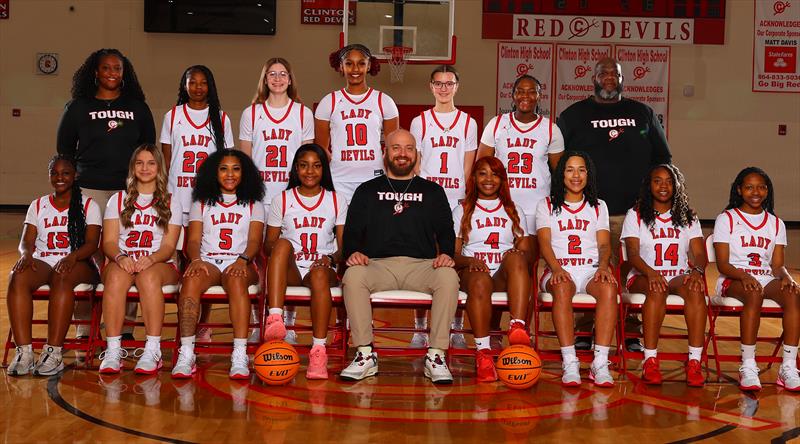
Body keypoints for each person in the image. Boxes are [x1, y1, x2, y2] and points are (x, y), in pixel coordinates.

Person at [556, 57, 671, 351]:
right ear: (593, 78)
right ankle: (584, 330)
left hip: (633, 213)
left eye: (615, 73)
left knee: (630, 272)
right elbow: (557, 161)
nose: (609, 77)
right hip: (587, 212)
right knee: (588, 268)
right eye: (603, 72)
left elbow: (663, 158)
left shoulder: (642, 113)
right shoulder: (573, 115)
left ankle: (630, 331)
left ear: (622, 79)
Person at [339, 129, 458, 384]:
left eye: (408, 148)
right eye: (396, 148)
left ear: (416, 154)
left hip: (422, 266)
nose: (402, 154)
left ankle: (436, 356)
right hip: (377, 265)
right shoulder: (367, 190)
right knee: (354, 275)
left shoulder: (433, 191)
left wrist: (447, 254)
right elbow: (352, 232)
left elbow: (446, 231)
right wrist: (353, 252)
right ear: (385, 152)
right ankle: (365, 354)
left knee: (448, 277)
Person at [57, 48, 155, 341]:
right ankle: (84, 327)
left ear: (124, 73)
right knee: (87, 254)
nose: (112, 73)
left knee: (130, 253)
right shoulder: (78, 107)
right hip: (89, 188)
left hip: (129, 191)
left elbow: (148, 148)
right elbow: (64, 149)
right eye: (106, 68)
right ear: (95, 72)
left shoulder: (137, 107)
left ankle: (125, 328)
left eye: (117, 68)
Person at [172, 149, 265, 380]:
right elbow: (193, 240)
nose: (230, 174)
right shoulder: (202, 203)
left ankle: (240, 353)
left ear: (245, 173)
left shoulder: (254, 204)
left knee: (236, 279)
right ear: (214, 173)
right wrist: (196, 260)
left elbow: (255, 241)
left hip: (241, 261)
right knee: (191, 280)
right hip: (209, 261)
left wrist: (243, 260)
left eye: (236, 169)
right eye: (223, 169)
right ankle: (186, 352)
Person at [240, 57, 314, 342]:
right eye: (272, 74)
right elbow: (246, 160)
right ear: (265, 78)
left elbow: (307, 159)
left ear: (290, 79)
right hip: (260, 195)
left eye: (283, 74)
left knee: (288, 257)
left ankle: (288, 322)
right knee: (257, 259)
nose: (278, 79)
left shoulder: (302, 113)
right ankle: (258, 319)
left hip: (290, 196)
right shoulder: (252, 113)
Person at [7, 155, 102, 376]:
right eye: (54, 173)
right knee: (17, 275)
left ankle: (53, 353)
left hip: (78, 262)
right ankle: (24, 352)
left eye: (65, 173)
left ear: (75, 175)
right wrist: (26, 254)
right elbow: (26, 241)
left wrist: (72, 257)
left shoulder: (89, 205)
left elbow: (91, 244)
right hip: (44, 259)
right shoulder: (37, 205)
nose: (60, 177)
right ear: (49, 175)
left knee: (62, 276)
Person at [160, 65, 235, 344]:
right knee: (180, 260)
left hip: (207, 200)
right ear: (185, 85)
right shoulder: (173, 116)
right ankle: (184, 322)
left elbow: (226, 159)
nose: (198, 87)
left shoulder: (221, 118)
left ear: (210, 86)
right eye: (193, 82)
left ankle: (202, 323)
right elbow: (168, 160)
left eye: (203, 83)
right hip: (178, 196)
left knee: (203, 260)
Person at [263, 144, 346, 379]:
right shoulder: (282, 199)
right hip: (291, 269)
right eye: (304, 165)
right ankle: (275, 318)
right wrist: (284, 249)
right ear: (296, 169)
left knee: (319, 274)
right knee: (281, 244)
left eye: (316, 165)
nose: (310, 171)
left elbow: (344, 248)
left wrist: (330, 258)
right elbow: (268, 246)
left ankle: (318, 351)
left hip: (320, 269)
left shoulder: (336, 200)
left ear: (324, 169)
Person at [409, 65, 478, 349]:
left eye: (449, 83)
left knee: (455, 260)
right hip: (428, 200)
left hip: (456, 198)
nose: (444, 88)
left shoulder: (468, 123)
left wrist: (465, 197)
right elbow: (416, 165)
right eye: (439, 83)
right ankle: (420, 328)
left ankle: (456, 327)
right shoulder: (420, 121)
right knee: (424, 259)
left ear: (457, 86)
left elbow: (468, 166)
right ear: (431, 86)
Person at [97, 144, 182, 374]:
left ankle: (152, 350)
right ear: (132, 167)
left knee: (147, 277)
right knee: (115, 277)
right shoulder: (117, 200)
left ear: (159, 167)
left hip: (159, 263)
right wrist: (120, 256)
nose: (145, 168)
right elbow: (109, 242)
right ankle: (113, 350)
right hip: (124, 260)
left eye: (151, 163)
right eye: (140, 163)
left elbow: (168, 247)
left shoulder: (171, 201)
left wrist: (151, 259)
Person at [535, 152, 618, 387]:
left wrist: (604, 267)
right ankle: (570, 360)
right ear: (561, 174)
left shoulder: (598, 206)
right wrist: (556, 268)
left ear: (588, 174)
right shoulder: (547, 205)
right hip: (559, 269)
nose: (576, 175)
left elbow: (604, 244)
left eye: (581, 170)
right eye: (570, 169)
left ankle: (599, 362)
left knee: (609, 288)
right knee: (562, 286)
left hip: (590, 269)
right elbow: (544, 244)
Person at [713, 167, 799, 392]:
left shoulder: (776, 223)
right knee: (753, 292)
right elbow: (722, 264)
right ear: (739, 190)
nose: (756, 192)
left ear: (767, 191)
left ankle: (788, 367)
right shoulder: (727, 219)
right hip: (734, 278)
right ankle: (748, 365)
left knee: (793, 294)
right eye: (749, 187)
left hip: (764, 277)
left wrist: (787, 277)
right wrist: (744, 276)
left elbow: (777, 265)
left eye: (761, 187)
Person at [621, 164, 707, 386]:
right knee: (657, 288)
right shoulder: (636, 214)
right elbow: (632, 255)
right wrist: (652, 273)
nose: (663, 186)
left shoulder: (688, 216)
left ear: (677, 185)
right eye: (657, 181)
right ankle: (650, 360)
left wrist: (697, 272)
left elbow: (699, 253)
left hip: (677, 275)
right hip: (643, 275)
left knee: (695, 289)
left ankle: (694, 361)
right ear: (649, 185)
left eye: (669, 181)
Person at [453, 157, 532, 382]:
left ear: (502, 180)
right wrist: (470, 261)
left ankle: (517, 327)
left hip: (500, 276)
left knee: (517, 258)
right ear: (474, 178)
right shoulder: (462, 210)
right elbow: (452, 255)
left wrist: (515, 255)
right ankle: (483, 353)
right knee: (480, 280)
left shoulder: (513, 210)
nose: (489, 179)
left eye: (495, 174)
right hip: (473, 275)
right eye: (483, 173)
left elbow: (527, 253)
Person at [314, 44, 399, 203]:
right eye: (349, 63)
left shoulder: (384, 101)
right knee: (341, 220)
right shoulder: (329, 102)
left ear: (369, 66)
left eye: (361, 63)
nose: (355, 69)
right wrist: (338, 165)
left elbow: (393, 146)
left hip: (374, 178)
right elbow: (321, 148)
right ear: (341, 66)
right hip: (339, 180)